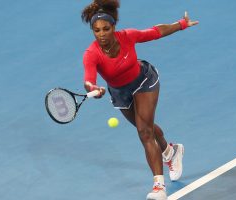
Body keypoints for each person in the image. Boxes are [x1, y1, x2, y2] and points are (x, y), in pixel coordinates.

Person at [81, 0, 198, 199]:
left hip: (144, 81)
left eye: (105, 29)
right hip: (120, 93)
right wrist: (93, 88)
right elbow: (89, 79)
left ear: (113, 27)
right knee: (146, 127)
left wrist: (181, 24)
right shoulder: (91, 54)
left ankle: (159, 187)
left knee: (144, 132)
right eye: (96, 30)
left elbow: (155, 32)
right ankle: (171, 151)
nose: (101, 34)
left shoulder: (128, 36)